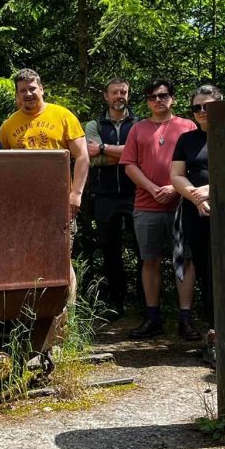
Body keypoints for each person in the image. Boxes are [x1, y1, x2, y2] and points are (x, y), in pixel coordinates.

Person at [120, 78, 199, 340]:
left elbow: (196, 164)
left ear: (172, 98)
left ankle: (185, 319)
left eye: (163, 95)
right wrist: (153, 188)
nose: (158, 101)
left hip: (182, 204)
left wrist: (175, 188)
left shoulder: (187, 126)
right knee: (149, 260)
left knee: (184, 260)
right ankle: (152, 318)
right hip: (146, 205)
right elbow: (129, 165)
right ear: (146, 101)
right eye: (152, 97)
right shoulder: (137, 129)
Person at [0, 69, 90, 222]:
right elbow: (2, 166)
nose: (28, 94)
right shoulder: (8, 125)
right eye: (23, 90)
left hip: (59, 198)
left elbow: (82, 156)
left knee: (61, 237)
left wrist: (76, 194)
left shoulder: (63, 116)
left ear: (41, 89)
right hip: (21, 201)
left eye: (32, 88)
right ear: (17, 95)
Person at [169, 84, 224, 336]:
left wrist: (211, 190)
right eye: (196, 108)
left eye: (207, 106)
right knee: (204, 269)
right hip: (196, 212)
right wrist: (196, 197)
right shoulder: (187, 139)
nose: (202, 111)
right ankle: (214, 330)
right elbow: (176, 175)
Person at [83, 79, 137, 316]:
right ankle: (116, 302)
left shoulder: (139, 124)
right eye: (114, 92)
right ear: (106, 96)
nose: (119, 96)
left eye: (123, 92)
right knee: (110, 250)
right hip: (104, 195)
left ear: (128, 95)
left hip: (135, 193)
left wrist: (104, 148)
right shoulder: (94, 125)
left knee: (142, 249)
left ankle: (145, 304)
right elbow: (92, 158)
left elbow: (141, 154)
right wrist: (127, 154)